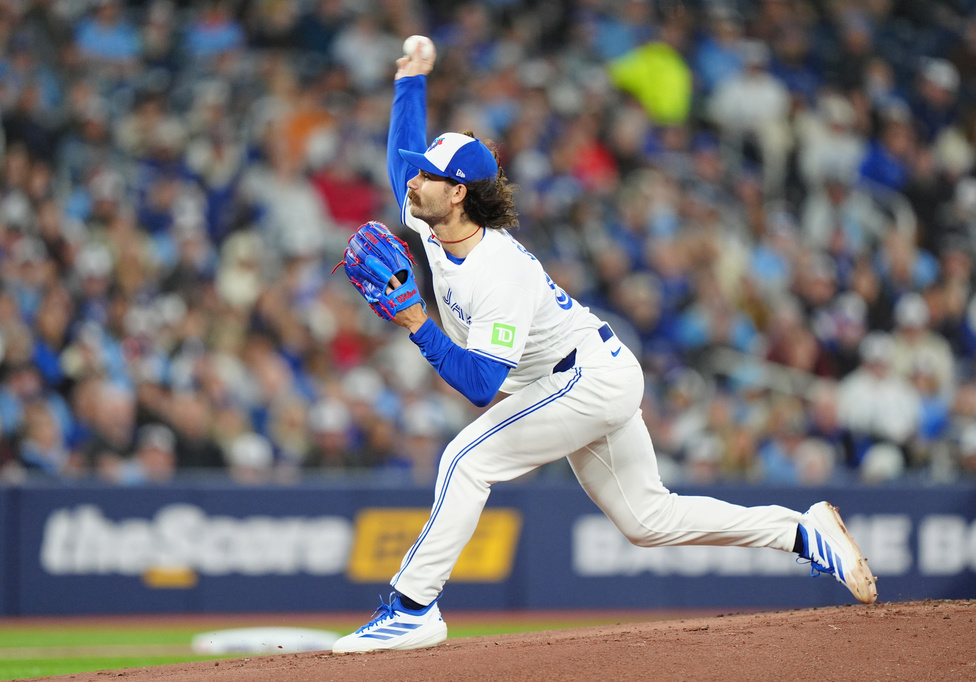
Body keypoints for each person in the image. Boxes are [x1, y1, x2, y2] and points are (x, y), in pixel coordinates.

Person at [331, 39, 878, 655]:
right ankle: (802, 533)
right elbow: (397, 165)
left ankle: (412, 607)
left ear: (457, 193)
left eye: (428, 175)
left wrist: (416, 324)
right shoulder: (434, 223)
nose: (413, 183)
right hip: (584, 375)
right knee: (649, 521)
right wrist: (411, 82)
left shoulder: (497, 271)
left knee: (467, 461)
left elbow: (482, 386)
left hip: (584, 379)